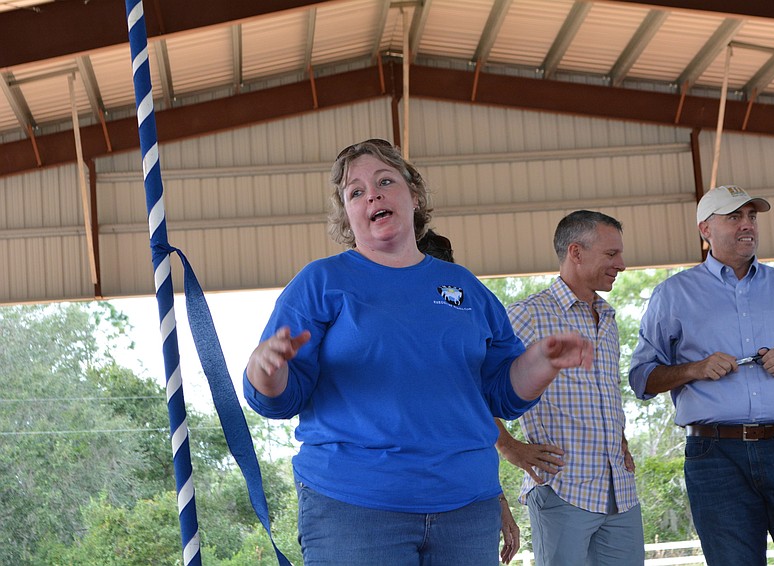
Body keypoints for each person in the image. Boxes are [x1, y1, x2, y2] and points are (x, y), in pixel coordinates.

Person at [244, 139, 594, 565]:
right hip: (355, 509)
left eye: (384, 181)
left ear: (414, 197)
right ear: (348, 215)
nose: (371, 194)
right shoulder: (320, 282)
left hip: (467, 508)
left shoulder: (465, 287)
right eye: (355, 192)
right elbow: (282, 397)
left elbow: (501, 393)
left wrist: (542, 361)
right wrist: (265, 370)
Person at [629, 185, 774, 566]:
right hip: (714, 456)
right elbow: (641, 379)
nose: (747, 225)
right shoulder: (673, 295)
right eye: (734, 217)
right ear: (705, 230)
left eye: (752, 217)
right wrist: (695, 369)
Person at [496, 210, 644, 565]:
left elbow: (605, 393)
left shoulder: (607, 319)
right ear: (575, 252)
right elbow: (473, 390)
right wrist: (511, 448)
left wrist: (618, 436)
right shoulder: (526, 316)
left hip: (619, 491)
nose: (621, 264)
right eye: (611, 254)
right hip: (562, 489)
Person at [416, 227, 520, 565]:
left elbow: (475, 423)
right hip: (383, 503)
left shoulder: (463, 337)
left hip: (463, 502)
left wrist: (499, 502)